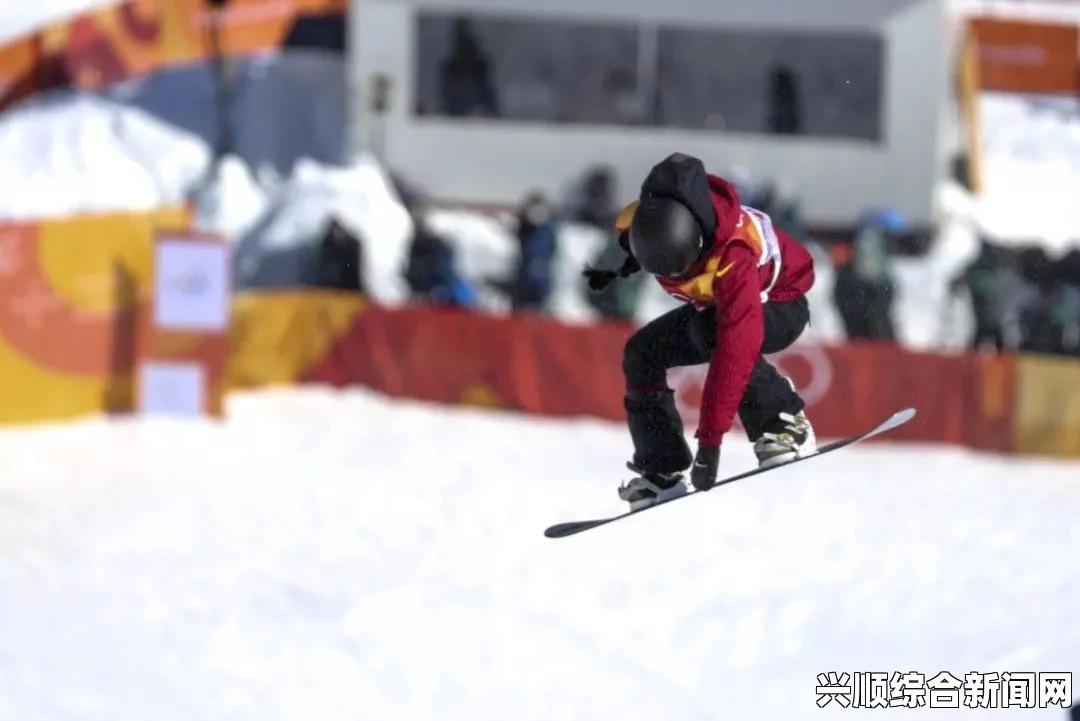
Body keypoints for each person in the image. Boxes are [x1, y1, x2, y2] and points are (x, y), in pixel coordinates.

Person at [582, 153, 817, 510]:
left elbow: (735, 350)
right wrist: (615, 270)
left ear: (696, 245)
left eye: (681, 268)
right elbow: (632, 239)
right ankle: (662, 467)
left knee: (712, 333)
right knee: (641, 353)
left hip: (782, 303)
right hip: (715, 309)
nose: (674, 278)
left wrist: (710, 443)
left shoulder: (735, 254)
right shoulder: (648, 221)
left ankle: (785, 423)